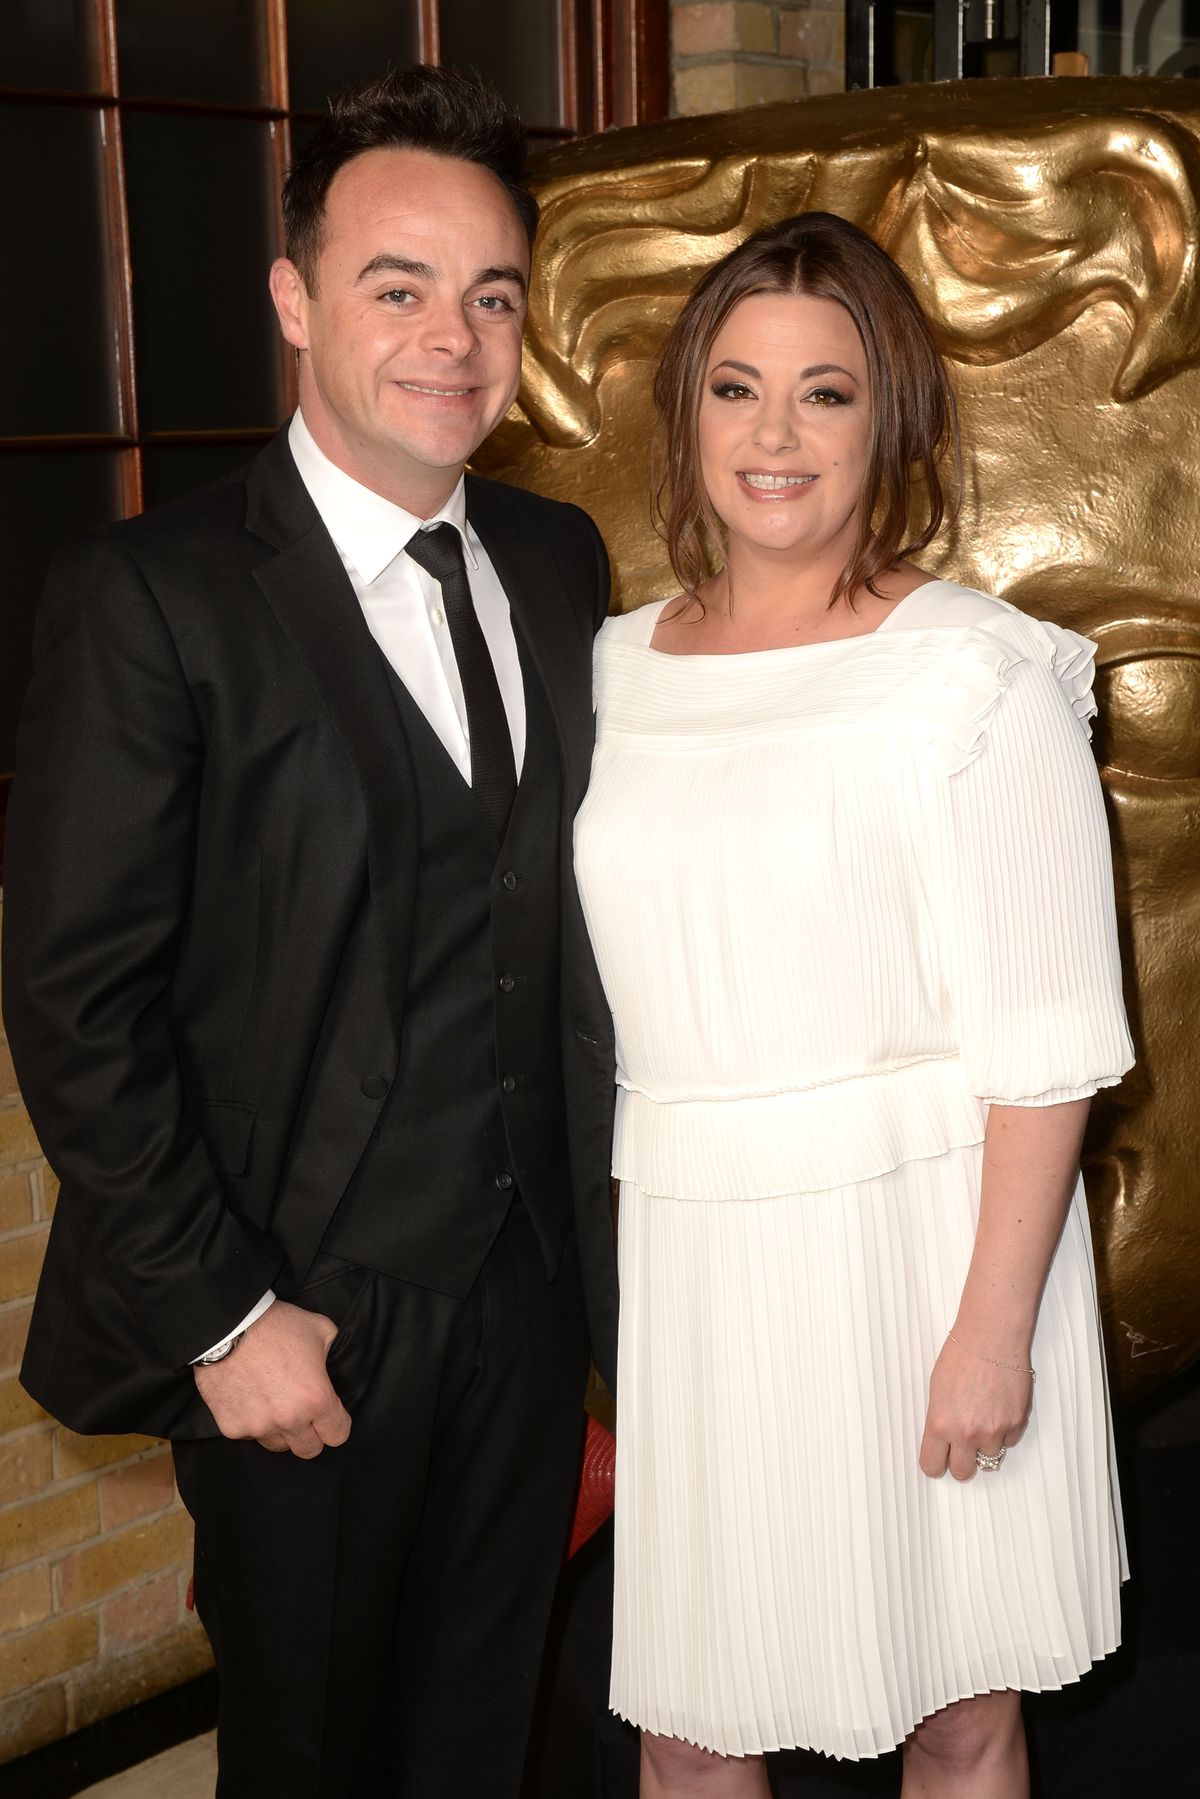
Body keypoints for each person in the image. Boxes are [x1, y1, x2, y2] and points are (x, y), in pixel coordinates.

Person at [5, 66, 618, 1799]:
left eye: (491, 295)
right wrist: (223, 1319)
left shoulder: (559, 561)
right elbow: (76, 1003)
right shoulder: (152, 597)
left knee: (484, 1740)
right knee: (309, 1759)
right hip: (298, 1311)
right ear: (294, 300)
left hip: (527, 1297)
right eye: (396, 287)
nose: (453, 341)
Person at [574, 212, 1133, 1798]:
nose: (774, 435)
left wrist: (993, 1334)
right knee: (692, 1722)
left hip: (927, 1253)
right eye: (736, 387)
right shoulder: (608, 668)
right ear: (687, 413)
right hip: (694, 1259)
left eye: (824, 393)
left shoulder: (976, 675)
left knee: (957, 1713)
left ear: (891, 420)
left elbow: (1049, 1045)